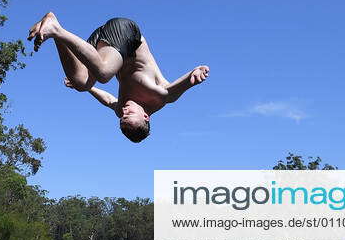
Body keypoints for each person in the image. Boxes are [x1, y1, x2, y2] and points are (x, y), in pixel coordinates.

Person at [27, 12, 209, 142]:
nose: (124, 112)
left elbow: (108, 100)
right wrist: (193, 75)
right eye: (129, 115)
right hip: (126, 32)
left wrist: (89, 88)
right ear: (146, 116)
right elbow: (174, 92)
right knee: (104, 73)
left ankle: (54, 29)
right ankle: (56, 30)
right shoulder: (158, 97)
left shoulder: (120, 108)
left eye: (122, 117)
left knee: (81, 82)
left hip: (105, 45)